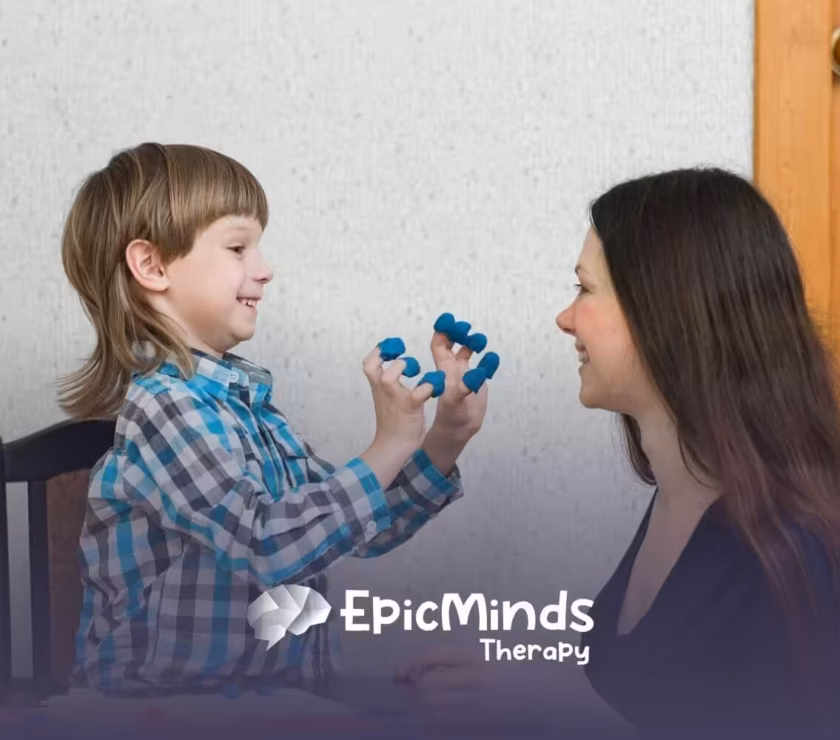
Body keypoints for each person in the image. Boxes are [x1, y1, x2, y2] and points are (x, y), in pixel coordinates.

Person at [401, 168, 840, 738]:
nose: (565, 317)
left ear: (665, 309)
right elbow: (660, 692)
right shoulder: (682, 494)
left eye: (584, 288)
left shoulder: (791, 543)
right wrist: (513, 678)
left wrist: (567, 711)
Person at [58, 142, 489, 694]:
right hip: (154, 710)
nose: (264, 270)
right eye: (239, 246)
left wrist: (443, 438)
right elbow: (264, 546)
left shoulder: (249, 409)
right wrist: (387, 442)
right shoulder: (163, 408)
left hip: (266, 703)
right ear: (153, 265)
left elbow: (356, 531)